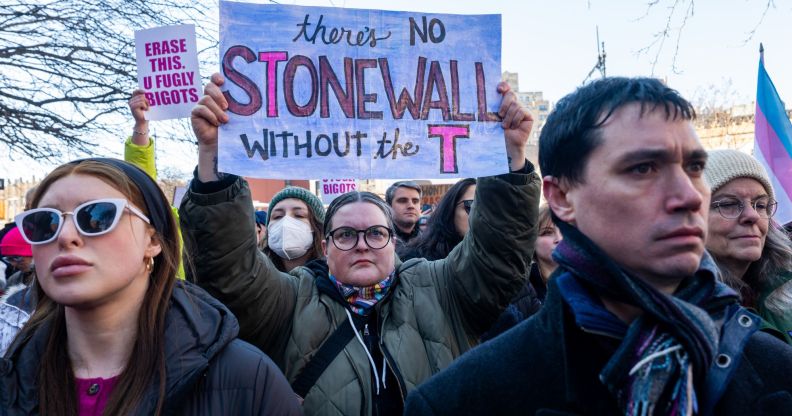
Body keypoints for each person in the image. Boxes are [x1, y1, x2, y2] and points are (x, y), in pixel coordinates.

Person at [404, 77, 792, 415]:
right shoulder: (462, 400)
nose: (689, 196)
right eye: (642, 169)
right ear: (562, 197)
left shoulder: (776, 369)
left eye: (693, 168)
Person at [180, 72, 539, 415]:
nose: (362, 245)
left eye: (376, 233)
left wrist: (509, 157)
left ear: (394, 242)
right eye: (346, 234)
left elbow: (497, 256)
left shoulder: (439, 288)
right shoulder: (289, 301)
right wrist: (214, 157)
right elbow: (231, 276)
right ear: (325, 246)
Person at [0, 158, 301, 415]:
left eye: (96, 217)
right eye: (44, 223)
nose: (65, 236)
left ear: (154, 240)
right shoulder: (10, 375)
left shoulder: (246, 378)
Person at [703, 149, 792, 344]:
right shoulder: (681, 314)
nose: (752, 215)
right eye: (728, 204)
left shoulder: (786, 292)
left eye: (760, 205)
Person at [262, 187, 326, 272]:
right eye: (278, 216)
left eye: (299, 215)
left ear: (317, 226)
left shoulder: (331, 279)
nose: (285, 223)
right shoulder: (255, 275)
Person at [529, 204, 562, 302]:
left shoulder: (590, 281)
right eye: (547, 232)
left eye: (564, 231)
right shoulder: (520, 287)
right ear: (532, 241)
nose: (559, 239)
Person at [385, 181, 422, 245]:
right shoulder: (379, 241)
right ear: (389, 206)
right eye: (402, 201)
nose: (411, 206)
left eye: (415, 201)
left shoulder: (430, 242)